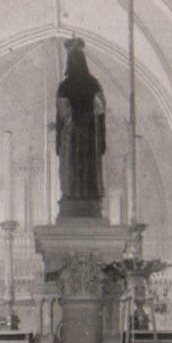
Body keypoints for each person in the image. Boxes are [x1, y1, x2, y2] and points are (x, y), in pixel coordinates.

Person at [55, 36, 106, 218]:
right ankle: (90, 196)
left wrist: (68, 128)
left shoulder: (64, 86)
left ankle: (71, 195)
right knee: (89, 168)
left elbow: (64, 114)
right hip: (90, 134)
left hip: (72, 135)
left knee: (72, 168)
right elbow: (100, 110)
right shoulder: (93, 84)